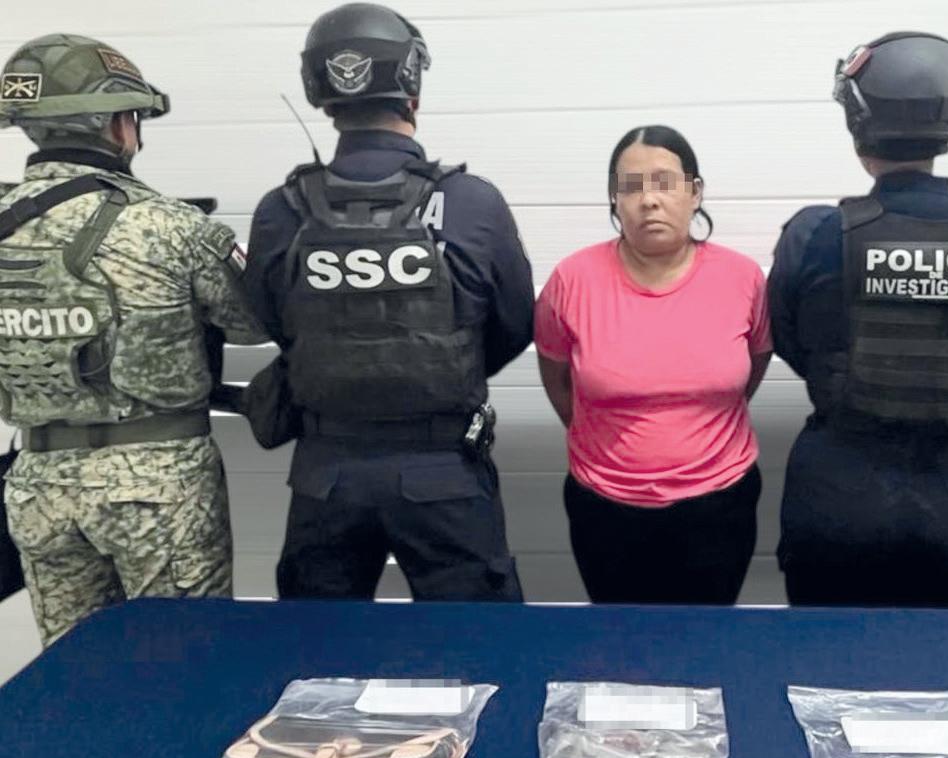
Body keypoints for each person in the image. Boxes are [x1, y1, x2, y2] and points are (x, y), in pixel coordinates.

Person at [243, 3, 532, 601]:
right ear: (411, 88)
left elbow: (275, 322)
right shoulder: (472, 202)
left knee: (318, 648)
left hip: (326, 473)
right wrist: (443, 366)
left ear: (320, 91)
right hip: (443, 473)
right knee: (476, 642)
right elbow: (513, 324)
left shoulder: (280, 211)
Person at [0, 34, 268, 644]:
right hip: (157, 487)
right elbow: (253, 325)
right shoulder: (169, 226)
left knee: (74, 666)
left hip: (38, 487)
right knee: (183, 660)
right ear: (117, 124)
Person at [768, 33, 948, 607]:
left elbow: (791, 341)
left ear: (857, 124)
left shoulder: (816, 235)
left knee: (827, 661)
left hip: (839, 505)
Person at [535, 125, 772, 605]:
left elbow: (752, 366)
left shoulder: (743, 279)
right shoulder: (572, 280)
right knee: (620, 638)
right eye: (631, 187)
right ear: (614, 199)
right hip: (604, 507)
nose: (649, 200)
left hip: (720, 505)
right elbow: (558, 380)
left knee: (706, 636)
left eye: (664, 183)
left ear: (694, 192)